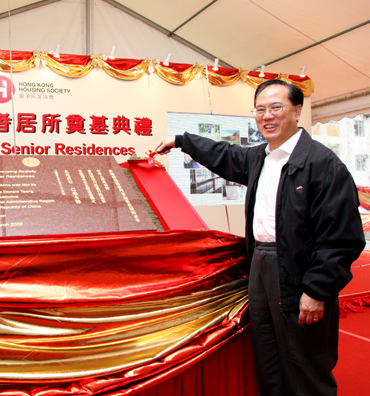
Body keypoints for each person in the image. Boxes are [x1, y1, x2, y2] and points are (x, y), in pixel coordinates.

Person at [155, 79, 365, 396]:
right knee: (268, 357)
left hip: (299, 270)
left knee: (304, 363)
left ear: (297, 110)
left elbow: (342, 237)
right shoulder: (260, 158)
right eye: (260, 109)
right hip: (261, 265)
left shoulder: (323, 165)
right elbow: (224, 154)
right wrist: (180, 140)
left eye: (276, 107)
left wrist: (317, 289)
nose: (267, 116)